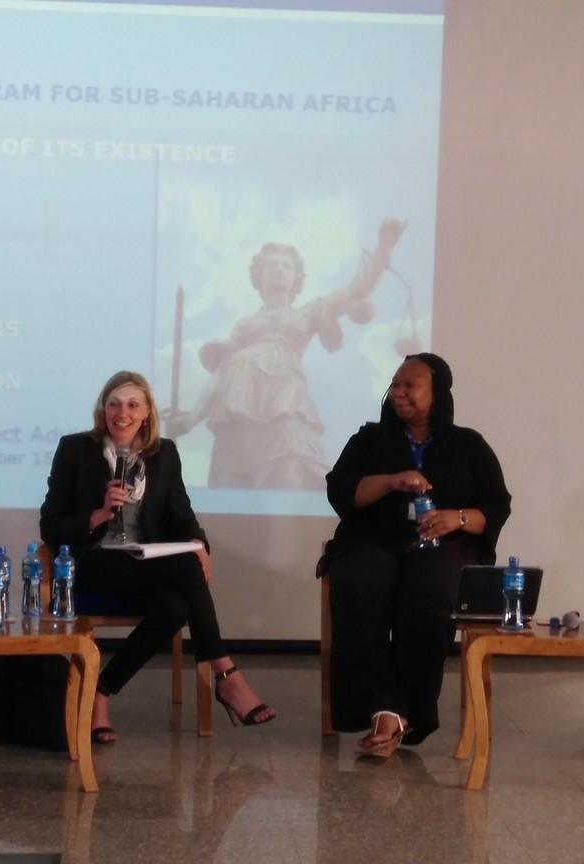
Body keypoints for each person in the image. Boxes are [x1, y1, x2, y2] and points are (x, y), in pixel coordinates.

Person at [40, 370, 275, 743]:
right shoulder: (75, 449)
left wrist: (199, 544)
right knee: (185, 571)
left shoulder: (163, 453)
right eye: (114, 404)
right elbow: (50, 526)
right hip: (93, 564)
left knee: (177, 605)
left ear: (147, 412)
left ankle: (101, 689)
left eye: (133, 405)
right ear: (103, 409)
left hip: (143, 565)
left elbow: (182, 516)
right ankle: (226, 674)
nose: (123, 414)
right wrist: (99, 514)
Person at [323, 353, 511, 756]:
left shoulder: (468, 445)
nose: (399, 392)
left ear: (437, 393)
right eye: (395, 384)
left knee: (429, 588)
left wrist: (456, 518)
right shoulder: (368, 440)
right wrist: (391, 481)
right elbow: (342, 492)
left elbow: (496, 508)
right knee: (359, 581)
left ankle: (411, 710)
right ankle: (382, 709)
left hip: (445, 547)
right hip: (374, 541)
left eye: (410, 385)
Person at [165, 218, 407, 489]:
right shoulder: (245, 325)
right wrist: (191, 419)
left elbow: (356, 289)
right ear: (259, 275)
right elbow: (221, 375)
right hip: (239, 405)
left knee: (289, 471)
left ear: (296, 278)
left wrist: (383, 246)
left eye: (286, 265)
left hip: (285, 400)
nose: (279, 269)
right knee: (234, 481)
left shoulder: (308, 312)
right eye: (272, 264)